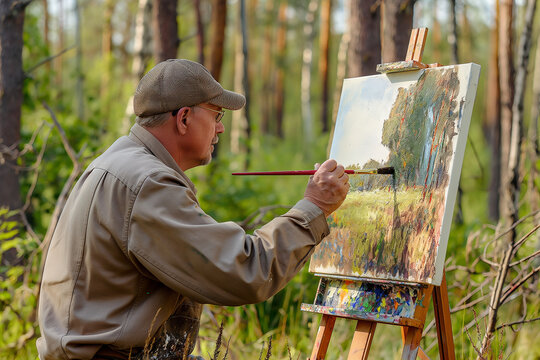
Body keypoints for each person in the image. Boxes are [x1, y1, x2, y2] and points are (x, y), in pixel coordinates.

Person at [37, 59, 349, 360]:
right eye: (217, 115)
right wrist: (315, 206)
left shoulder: (117, 162)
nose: (221, 129)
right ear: (184, 118)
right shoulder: (147, 184)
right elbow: (246, 272)